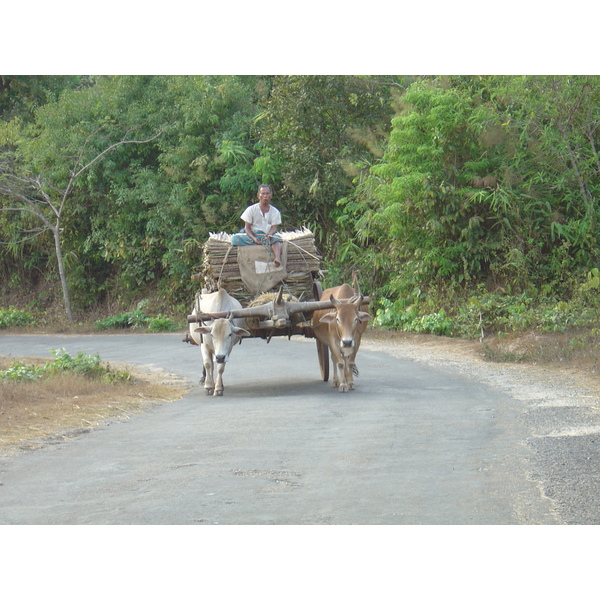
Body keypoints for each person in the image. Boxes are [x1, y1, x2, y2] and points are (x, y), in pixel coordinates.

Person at [231, 184, 283, 266]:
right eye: (263, 194)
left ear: (271, 195)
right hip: (253, 236)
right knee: (235, 239)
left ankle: (277, 258)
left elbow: (274, 228)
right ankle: (255, 242)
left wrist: (269, 234)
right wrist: (254, 238)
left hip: (267, 237)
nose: (265, 196)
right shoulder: (251, 209)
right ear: (258, 195)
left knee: (277, 239)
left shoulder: (275, 211)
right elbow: (247, 228)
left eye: (267, 193)